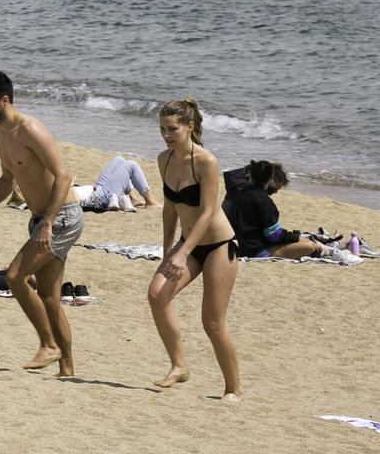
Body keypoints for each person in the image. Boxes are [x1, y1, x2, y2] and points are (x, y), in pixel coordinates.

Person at [0, 71, 82, 376]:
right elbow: (6, 181)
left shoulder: (31, 130)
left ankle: (49, 345)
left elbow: (64, 176)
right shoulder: (2, 134)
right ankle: (67, 368)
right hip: (40, 219)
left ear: (4, 100)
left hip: (62, 218)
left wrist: (49, 223)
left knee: (15, 277)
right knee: (50, 298)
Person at [147, 98, 242, 401]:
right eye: (162, 129)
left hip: (218, 247)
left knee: (212, 323)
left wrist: (181, 253)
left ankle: (233, 389)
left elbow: (207, 213)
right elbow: (170, 209)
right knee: (156, 295)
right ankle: (179, 365)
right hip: (187, 245)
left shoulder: (206, 162)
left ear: (190, 127)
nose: (166, 135)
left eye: (172, 129)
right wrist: (167, 250)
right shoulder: (164, 159)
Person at [224, 160, 342, 260]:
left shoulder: (239, 191)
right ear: (270, 179)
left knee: (304, 241)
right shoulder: (263, 201)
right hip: (254, 249)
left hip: (239, 242)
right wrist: (295, 237)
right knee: (310, 246)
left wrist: (295, 237)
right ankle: (325, 250)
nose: (276, 191)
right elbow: (274, 236)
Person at [74, 156, 155, 211]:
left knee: (119, 160)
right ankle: (150, 202)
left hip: (96, 190)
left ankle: (133, 199)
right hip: (98, 198)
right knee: (131, 165)